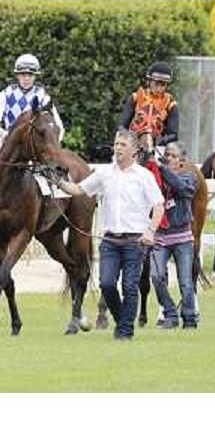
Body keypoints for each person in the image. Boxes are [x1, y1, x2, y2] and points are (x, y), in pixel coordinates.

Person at [53, 129, 164, 340]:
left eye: (122, 144)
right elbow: (77, 190)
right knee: (107, 284)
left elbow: (158, 206)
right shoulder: (104, 173)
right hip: (110, 241)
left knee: (130, 286)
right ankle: (123, 320)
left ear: (134, 150)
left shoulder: (144, 177)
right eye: (116, 144)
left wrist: (150, 231)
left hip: (136, 241)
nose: (118, 148)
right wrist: (58, 182)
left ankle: (125, 331)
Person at [149, 142, 198, 330]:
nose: (167, 158)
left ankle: (190, 318)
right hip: (160, 237)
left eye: (172, 156)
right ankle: (170, 312)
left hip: (182, 238)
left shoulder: (189, 177)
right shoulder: (156, 178)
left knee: (185, 283)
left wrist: (160, 166)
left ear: (181, 161)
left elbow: (180, 187)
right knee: (156, 276)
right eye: (165, 155)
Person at [0, 54, 65, 151]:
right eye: (23, 74)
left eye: (30, 75)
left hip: (34, 145)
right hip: (10, 142)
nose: (27, 78)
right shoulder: (5, 94)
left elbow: (59, 127)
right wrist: (5, 135)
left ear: (35, 76)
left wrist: (49, 142)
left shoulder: (43, 96)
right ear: (17, 75)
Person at [119, 62, 179, 149]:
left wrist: (162, 141)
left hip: (157, 145)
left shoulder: (170, 104)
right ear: (149, 81)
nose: (159, 88)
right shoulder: (135, 98)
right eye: (156, 84)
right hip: (133, 142)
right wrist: (129, 137)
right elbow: (122, 126)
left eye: (163, 85)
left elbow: (174, 134)